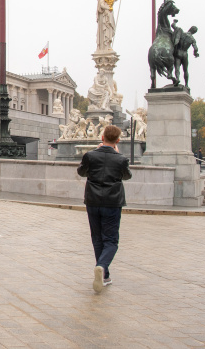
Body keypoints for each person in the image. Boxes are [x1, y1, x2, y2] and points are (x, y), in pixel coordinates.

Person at [77, 125, 132, 293]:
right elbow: (127, 176)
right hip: (112, 202)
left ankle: (104, 274)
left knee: (97, 237)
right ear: (118, 140)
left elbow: (81, 172)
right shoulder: (121, 159)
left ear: (102, 138)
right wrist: (117, 153)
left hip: (93, 201)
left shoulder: (90, 156)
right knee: (111, 240)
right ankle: (101, 266)